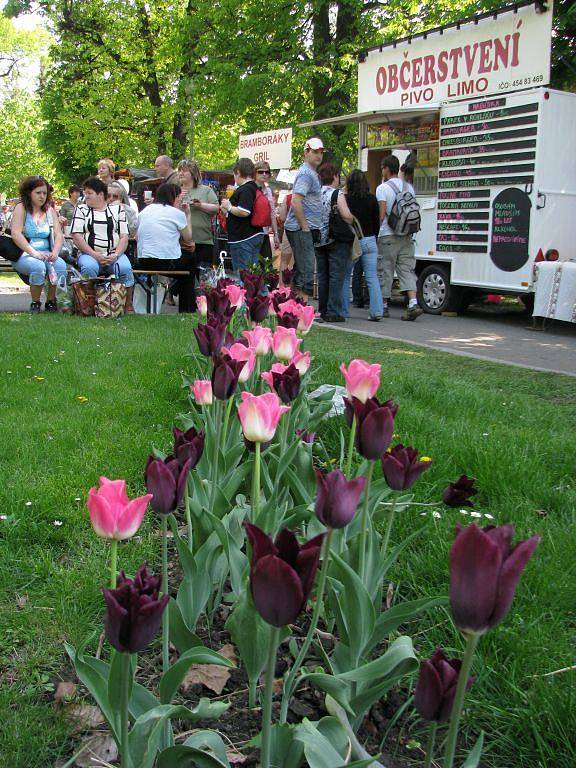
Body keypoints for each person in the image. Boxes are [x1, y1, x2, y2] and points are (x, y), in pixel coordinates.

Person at [71, 176, 135, 313]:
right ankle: (89, 305)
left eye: (89, 193)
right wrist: (94, 254)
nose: (85, 196)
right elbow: (76, 236)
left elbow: (124, 236)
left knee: (124, 267)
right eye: (85, 193)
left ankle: (127, 305)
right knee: (89, 266)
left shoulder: (118, 211)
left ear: (100, 194)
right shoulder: (81, 210)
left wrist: (116, 254)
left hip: (113, 253)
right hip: (89, 253)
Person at [10, 175, 67, 313]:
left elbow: (59, 234)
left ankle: (51, 302)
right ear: (29, 193)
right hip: (23, 254)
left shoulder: (49, 211)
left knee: (60, 265)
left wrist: (55, 253)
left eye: (44, 193)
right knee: (38, 267)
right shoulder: (21, 208)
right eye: (38, 193)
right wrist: (34, 253)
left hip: (46, 252)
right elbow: (16, 234)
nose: (42, 196)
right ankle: (35, 302)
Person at [136, 182, 196, 313]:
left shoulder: (145, 211)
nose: (180, 201)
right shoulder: (176, 213)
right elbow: (188, 238)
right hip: (166, 263)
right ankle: (187, 309)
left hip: (143, 261)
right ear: (173, 197)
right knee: (191, 261)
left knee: (187, 260)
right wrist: (188, 215)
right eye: (179, 198)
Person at [376, 155, 423, 321]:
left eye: (382, 168)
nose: (382, 171)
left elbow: (382, 215)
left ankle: (384, 305)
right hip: (407, 235)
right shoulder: (409, 187)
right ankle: (413, 302)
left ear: (387, 168)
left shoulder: (382, 188)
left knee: (385, 269)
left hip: (388, 235)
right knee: (406, 269)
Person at [283, 137, 325, 299]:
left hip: (303, 228)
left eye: (321, 152)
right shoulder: (307, 174)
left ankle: (294, 308)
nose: (319, 155)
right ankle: (300, 309)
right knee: (306, 271)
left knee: (302, 269)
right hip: (301, 229)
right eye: (315, 152)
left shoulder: (309, 173)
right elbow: (295, 201)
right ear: (306, 152)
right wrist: (305, 226)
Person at [314, 163, 354, 323]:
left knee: (322, 276)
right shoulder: (336, 194)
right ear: (335, 176)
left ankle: (322, 310)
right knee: (336, 276)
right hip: (335, 238)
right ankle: (333, 311)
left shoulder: (314, 194)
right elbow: (347, 216)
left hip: (318, 240)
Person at [345, 169, 384, 321]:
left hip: (353, 241)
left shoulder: (346, 199)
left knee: (347, 275)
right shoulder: (372, 199)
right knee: (371, 277)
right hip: (369, 240)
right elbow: (376, 223)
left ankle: (343, 310)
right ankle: (377, 311)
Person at [219, 157, 264, 273]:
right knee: (253, 274)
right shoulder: (254, 188)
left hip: (243, 238)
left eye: (234, 175)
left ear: (238, 172)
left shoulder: (245, 189)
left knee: (243, 275)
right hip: (253, 235)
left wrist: (228, 206)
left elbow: (244, 211)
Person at [177, 159, 219, 271]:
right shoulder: (175, 191)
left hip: (203, 241)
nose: (181, 173)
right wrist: (178, 200)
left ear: (193, 173)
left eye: (184, 171)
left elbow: (216, 208)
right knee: (183, 279)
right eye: (179, 170)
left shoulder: (205, 190)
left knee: (204, 278)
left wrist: (200, 205)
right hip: (180, 242)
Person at [254, 160, 280, 261]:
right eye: (261, 172)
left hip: (264, 233)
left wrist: (276, 235)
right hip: (252, 234)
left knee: (267, 264)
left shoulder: (268, 191)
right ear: (255, 173)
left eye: (267, 172)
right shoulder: (250, 188)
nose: (264, 174)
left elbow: (272, 214)